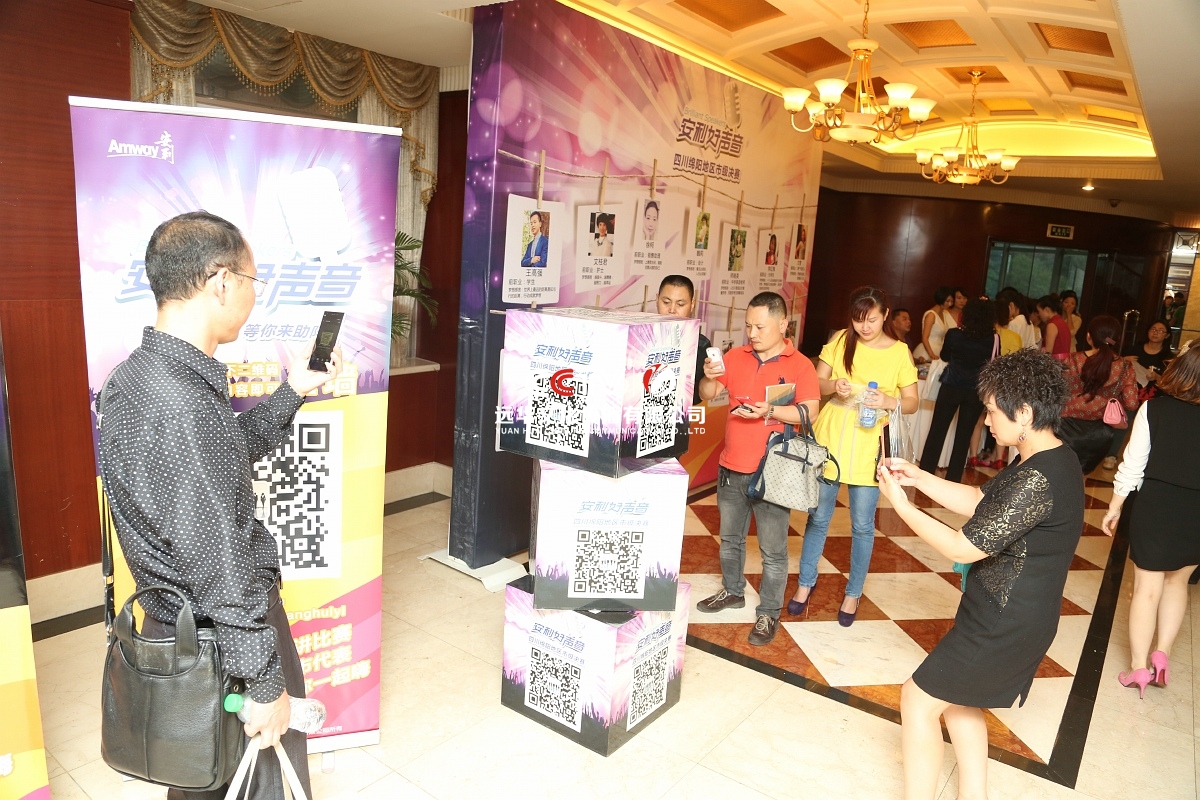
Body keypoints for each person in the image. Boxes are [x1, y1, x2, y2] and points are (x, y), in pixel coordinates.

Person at [98, 212, 342, 800]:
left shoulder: (134, 380)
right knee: (258, 783)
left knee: (200, 781)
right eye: (255, 281)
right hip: (225, 640)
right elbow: (217, 560)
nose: (255, 295)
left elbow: (217, 462)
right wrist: (263, 681)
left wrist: (293, 391)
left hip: (179, 631)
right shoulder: (181, 402)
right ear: (222, 281)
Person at [878, 349, 1082, 800]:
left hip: (1006, 622)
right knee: (959, 705)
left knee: (917, 700)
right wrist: (918, 477)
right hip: (1002, 611)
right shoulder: (1045, 457)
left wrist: (901, 506)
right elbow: (980, 501)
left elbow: (961, 546)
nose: (986, 421)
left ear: (1023, 412)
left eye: (991, 411)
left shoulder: (1039, 478)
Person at [695, 292, 820, 646]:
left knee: (773, 551)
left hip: (773, 472)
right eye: (748, 325)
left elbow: (810, 411)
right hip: (731, 467)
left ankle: (769, 612)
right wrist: (708, 376)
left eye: (760, 327)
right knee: (730, 540)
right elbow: (707, 393)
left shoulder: (800, 365)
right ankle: (732, 590)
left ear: (782, 324)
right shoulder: (736, 356)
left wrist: (771, 411)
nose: (752, 333)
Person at [789, 286, 919, 626]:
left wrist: (888, 402)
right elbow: (816, 383)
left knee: (862, 525)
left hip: (870, 443)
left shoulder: (899, 352)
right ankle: (805, 583)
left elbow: (912, 402)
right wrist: (835, 386)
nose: (865, 326)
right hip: (833, 436)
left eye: (872, 319)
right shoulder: (841, 340)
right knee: (818, 518)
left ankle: (853, 592)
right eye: (859, 319)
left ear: (885, 315)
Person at [1103, 346, 1200, 698]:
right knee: (1178, 584)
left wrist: (1115, 507)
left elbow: (1132, 465)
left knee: (1146, 589)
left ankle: (1139, 667)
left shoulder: (1155, 409)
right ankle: (1162, 655)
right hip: (1196, 511)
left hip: (1157, 505)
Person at [919, 298, 997, 483]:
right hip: (975, 391)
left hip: (951, 386)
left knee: (937, 430)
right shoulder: (993, 338)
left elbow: (945, 356)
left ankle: (925, 473)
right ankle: (953, 479)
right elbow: (994, 361)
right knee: (963, 436)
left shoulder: (954, 334)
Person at [1057, 315, 1138, 474]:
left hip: (1065, 429)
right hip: (1100, 434)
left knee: (1060, 475)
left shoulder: (1072, 360)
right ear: (1117, 339)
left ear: (1089, 336)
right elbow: (1132, 403)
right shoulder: (1124, 366)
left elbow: (1056, 393)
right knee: (1082, 478)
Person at [966, 300, 1021, 469]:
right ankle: (998, 458)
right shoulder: (1015, 337)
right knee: (1002, 421)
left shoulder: (991, 335)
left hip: (989, 384)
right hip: (1008, 385)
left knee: (978, 421)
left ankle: (973, 456)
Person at [656, 274, 709, 405]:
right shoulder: (638, 337)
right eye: (666, 302)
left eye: (680, 304)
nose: (672, 310)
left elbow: (698, 396)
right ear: (657, 299)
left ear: (692, 304)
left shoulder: (700, 344)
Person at [913, 286, 956, 363]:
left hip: (939, 349)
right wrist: (931, 355)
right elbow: (925, 338)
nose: (949, 304)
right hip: (927, 350)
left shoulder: (944, 314)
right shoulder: (931, 315)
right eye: (947, 301)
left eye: (951, 301)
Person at [1036, 295, 1070, 360]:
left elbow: (1048, 352)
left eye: (1039, 311)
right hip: (1064, 361)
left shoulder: (1052, 325)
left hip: (1055, 362)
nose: (1038, 314)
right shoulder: (1062, 322)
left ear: (1047, 310)